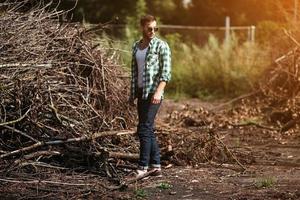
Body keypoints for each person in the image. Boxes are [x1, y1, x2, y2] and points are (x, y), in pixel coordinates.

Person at [129, 14, 171, 178]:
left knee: (144, 128)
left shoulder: (162, 46)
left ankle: (142, 167)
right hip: (141, 92)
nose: (153, 31)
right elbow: (134, 73)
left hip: (154, 92)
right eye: (149, 28)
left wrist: (159, 91)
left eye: (155, 28)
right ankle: (156, 165)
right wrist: (132, 94)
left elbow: (166, 73)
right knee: (147, 128)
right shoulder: (136, 46)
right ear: (142, 28)